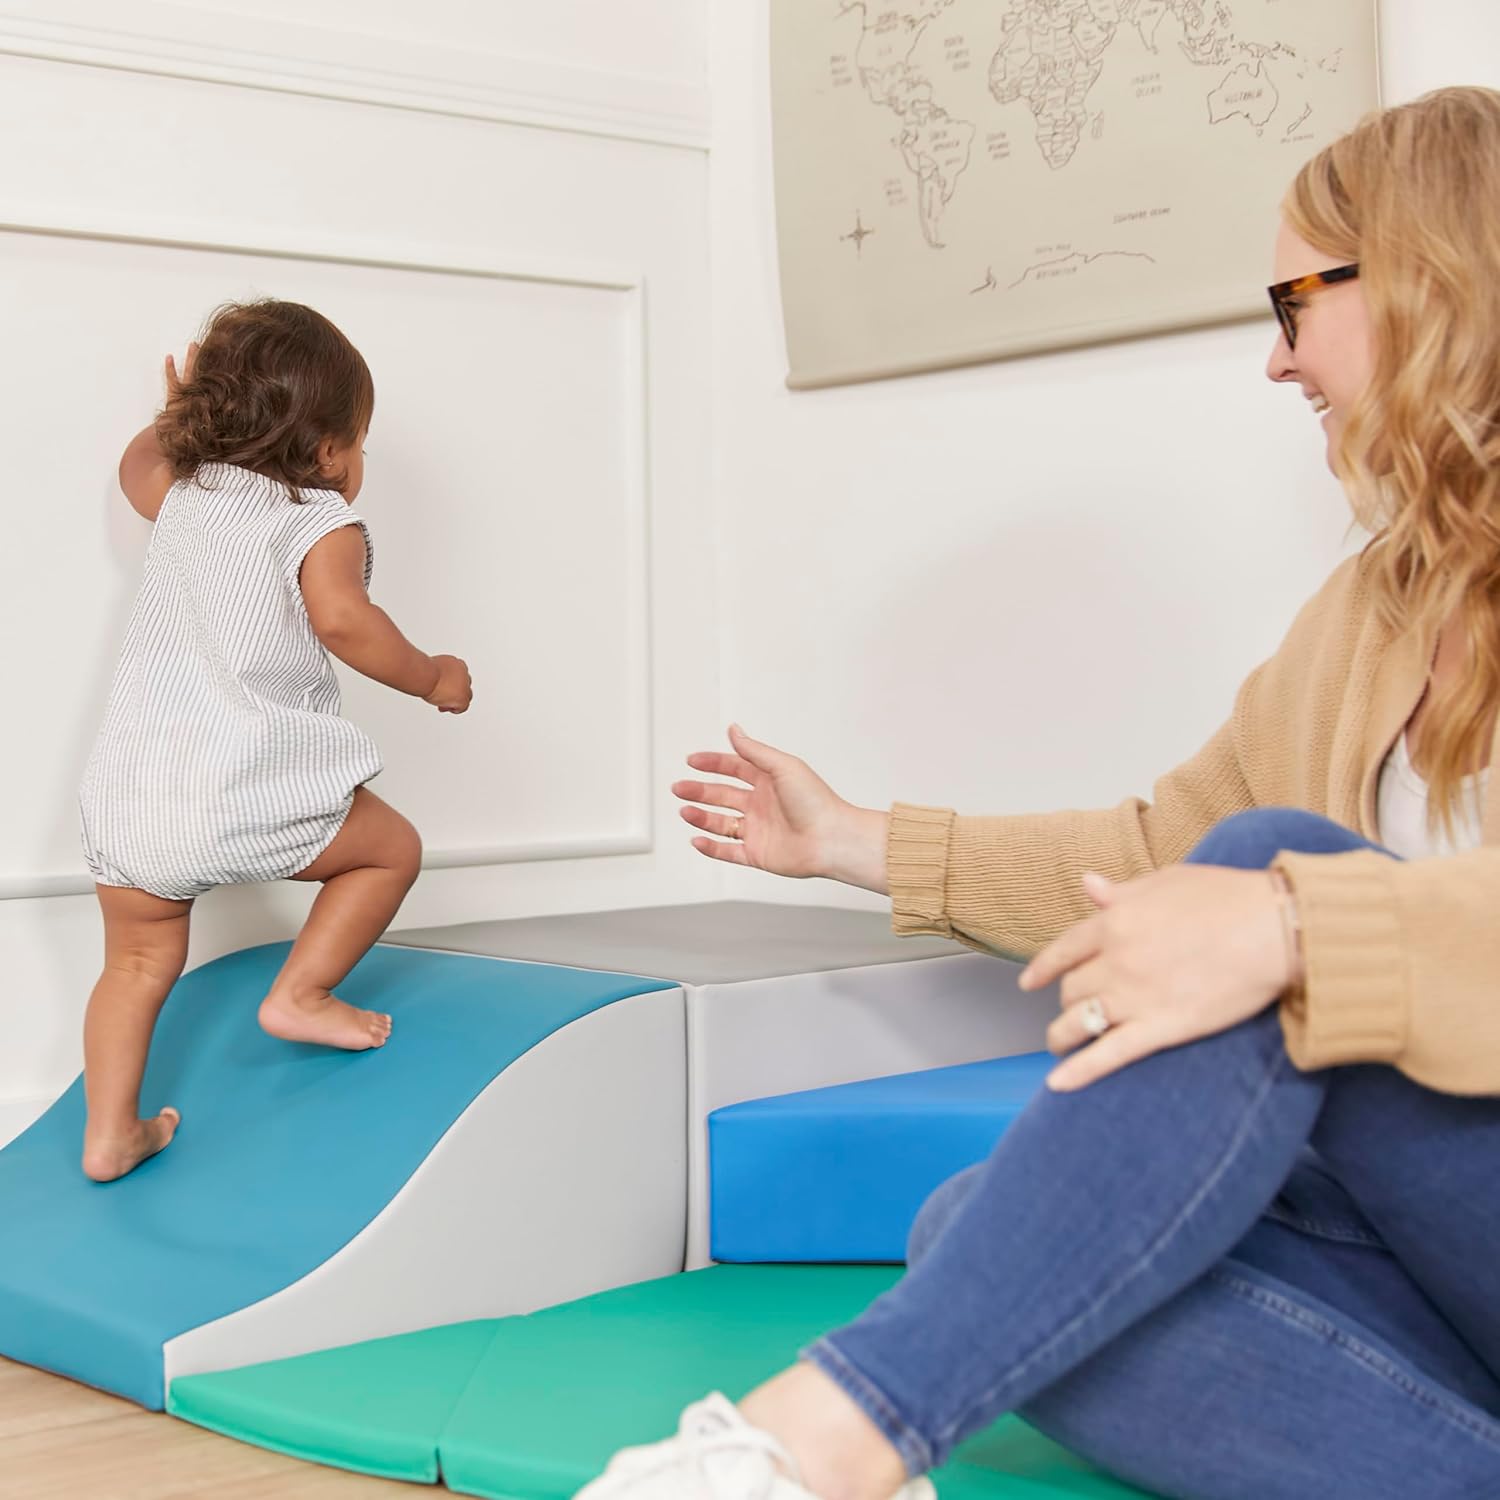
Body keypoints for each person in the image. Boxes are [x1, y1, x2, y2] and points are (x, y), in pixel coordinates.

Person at [578, 86, 1500, 1500]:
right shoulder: (1372, 613)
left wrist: (1301, 928)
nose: (1273, 359)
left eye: (1293, 302)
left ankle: (817, 1447)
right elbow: (1163, 851)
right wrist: (856, 843)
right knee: (989, 1244)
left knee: (1273, 868)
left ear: (1427, 283)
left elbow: (1254, 885)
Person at [78, 299, 473, 1184]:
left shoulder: (185, 496)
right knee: (391, 851)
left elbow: (134, 466)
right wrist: (431, 676)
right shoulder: (317, 520)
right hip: (241, 783)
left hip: (131, 793)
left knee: (135, 963)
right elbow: (344, 622)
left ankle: (109, 1134)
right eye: (359, 444)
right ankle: (300, 993)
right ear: (329, 450)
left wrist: (176, 418)